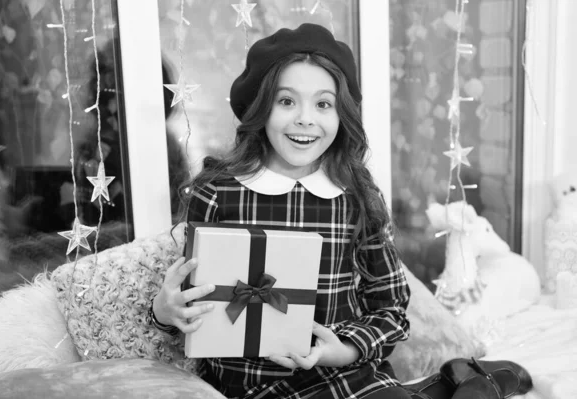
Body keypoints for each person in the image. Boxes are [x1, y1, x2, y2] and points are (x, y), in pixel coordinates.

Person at [148, 24, 532, 399]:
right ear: (260, 109)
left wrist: (343, 350)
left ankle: (474, 381)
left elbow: (391, 310)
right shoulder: (217, 192)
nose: (305, 118)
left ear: (340, 115)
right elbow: (191, 306)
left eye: (323, 104)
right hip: (250, 388)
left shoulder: (355, 197)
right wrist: (165, 312)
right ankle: (461, 382)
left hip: (347, 377)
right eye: (286, 101)